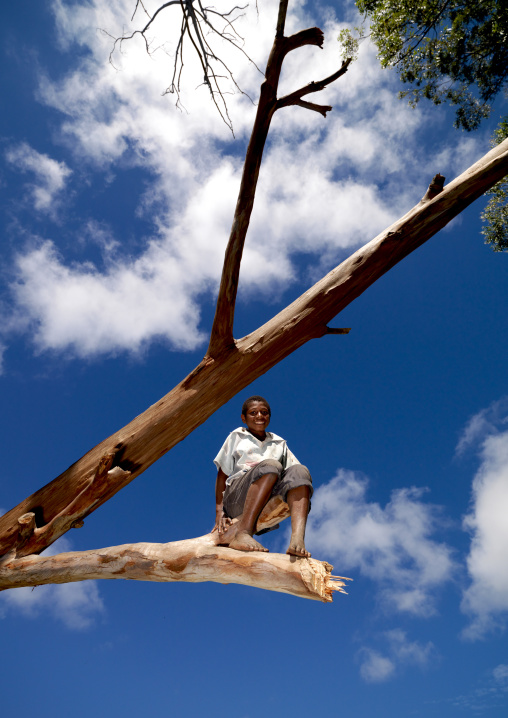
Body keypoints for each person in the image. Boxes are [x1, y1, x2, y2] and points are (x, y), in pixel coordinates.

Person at [212, 395, 313, 557]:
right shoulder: (237, 436)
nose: (259, 416)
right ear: (243, 418)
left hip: (267, 494)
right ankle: (243, 533)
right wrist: (219, 511)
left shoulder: (279, 442)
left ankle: (297, 539)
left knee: (300, 471)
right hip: (238, 497)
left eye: (264, 412)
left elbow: (296, 476)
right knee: (271, 465)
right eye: (253, 413)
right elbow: (222, 474)